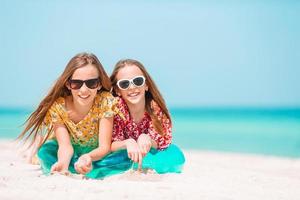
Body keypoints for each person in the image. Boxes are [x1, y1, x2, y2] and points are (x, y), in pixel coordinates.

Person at [18, 53, 131, 179]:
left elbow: (104, 147)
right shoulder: (58, 107)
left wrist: (88, 157)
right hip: (67, 152)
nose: (83, 90)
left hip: (95, 154)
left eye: (91, 83)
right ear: (68, 84)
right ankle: (40, 148)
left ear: (99, 84)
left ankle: (80, 166)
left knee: (125, 157)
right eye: (76, 83)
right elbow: (65, 146)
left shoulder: (105, 102)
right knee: (44, 152)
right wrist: (63, 164)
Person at [110, 59, 185, 173]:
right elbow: (110, 143)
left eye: (138, 81)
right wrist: (127, 143)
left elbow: (164, 141)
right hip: (123, 156)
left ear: (146, 85)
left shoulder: (155, 109)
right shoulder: (115, 110)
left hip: (150, 156)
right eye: (124, 84)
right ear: (117, 90)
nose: (132, 87)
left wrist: (147, 139)